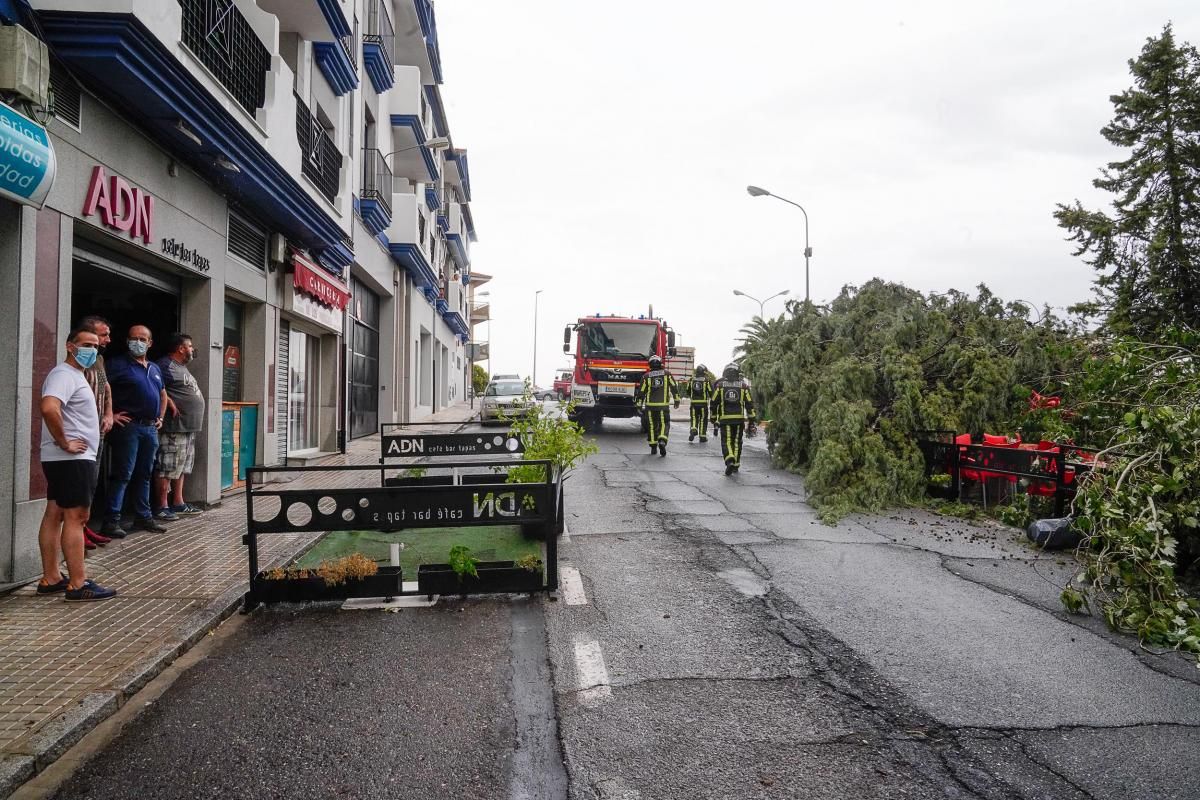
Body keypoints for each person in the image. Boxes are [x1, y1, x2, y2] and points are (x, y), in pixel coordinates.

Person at [36, 326, 117, 601]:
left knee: (55, 513)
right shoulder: (64, 374)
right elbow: (49, 407)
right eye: (86, 344)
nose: (92, 350)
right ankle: (78, 584)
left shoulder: (74, 375)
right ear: (70, 346)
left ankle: (51, 577)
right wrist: (64, 442)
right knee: (77, 517)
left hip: (65, 460)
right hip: (72, 459)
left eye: (96, 345)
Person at [102, 325, 168, 536]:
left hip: (150, 429)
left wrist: (161, 417)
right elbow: (102, 389)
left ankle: (143, 517)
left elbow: (163, 394)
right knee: (123, 475)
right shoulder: (116, 365)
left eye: (142, 339)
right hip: (129, 428)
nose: (137, 342)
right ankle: (111, 521)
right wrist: (110, 414)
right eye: (133, 338)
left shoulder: (155, 368)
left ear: (150, 343)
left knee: (145, 475)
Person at [153, 333, 206, 520]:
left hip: (188, 427)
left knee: (181, 467)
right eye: (190, 346)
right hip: (174, 427)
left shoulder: (182, 368)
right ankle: (162, 506)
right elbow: (156, 387)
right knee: (167, 467)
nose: (192, 349)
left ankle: (178, 502)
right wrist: (170, 403)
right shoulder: (164, 365)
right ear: (181, 348)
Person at [78, 315, 115, 547]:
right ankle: (77, 529)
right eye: (104, 335)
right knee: (82, 483)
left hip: (98, 432)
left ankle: (85, 525)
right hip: (82, 434)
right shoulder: (78, 363)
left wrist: (110, 413)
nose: (108, 340)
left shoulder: (99, 359)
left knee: (92, 481)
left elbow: (106, 386)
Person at [710, 362, 756, 476]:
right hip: (739, 419)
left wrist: (713, 417)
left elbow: (713, 402)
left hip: (725, 420)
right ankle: (735, 465)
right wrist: (751, 420)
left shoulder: (720, 386)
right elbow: (750, 404)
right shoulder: (743, 386)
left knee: (726, 441)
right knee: (737, 442)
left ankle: (729, 460)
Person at [634, 355, 680, 457]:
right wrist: (677, 400)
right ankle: (662, 440)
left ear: (650, 364)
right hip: (663, 406)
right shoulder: (667, 374)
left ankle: (653, 447)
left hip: (650, 407)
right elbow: (674, 387)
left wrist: (638, 406)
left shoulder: (646, 376)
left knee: (652, 426)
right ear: (660, 364)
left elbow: (641, 392)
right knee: (665, 423)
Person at [687, 364, 714, 443]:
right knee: (703, 419)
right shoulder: (706, 380)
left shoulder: (691, 379)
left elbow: (688, 390)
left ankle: (693, 429)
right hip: (703, 404)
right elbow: (711, 391)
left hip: (693, 403)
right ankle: (702, 436)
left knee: (694, 418)